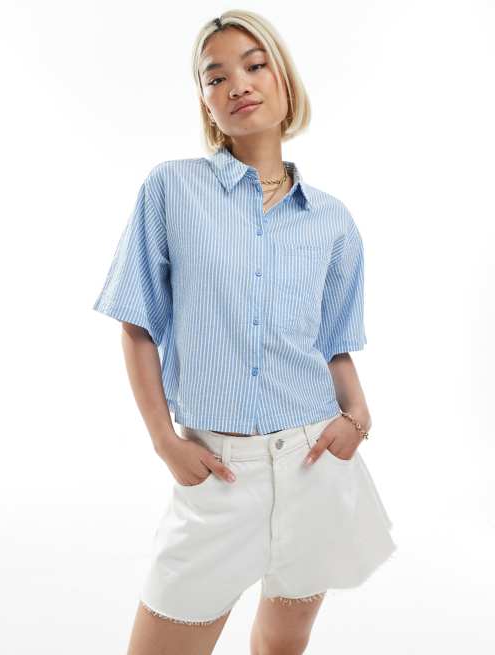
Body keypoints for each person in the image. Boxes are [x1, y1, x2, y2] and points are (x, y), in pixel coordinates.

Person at [92, 10, 397, 655]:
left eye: (255, 65)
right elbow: (137, 324)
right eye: (215, 76)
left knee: (284, 642)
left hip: (315, 464)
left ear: (284, 80)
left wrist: (359, 415)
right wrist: (164, 441)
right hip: (217, 474)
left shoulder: (333, 222)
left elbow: (334, 346)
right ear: (205, 101)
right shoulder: (172, 188)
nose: (238, 83)